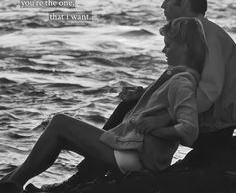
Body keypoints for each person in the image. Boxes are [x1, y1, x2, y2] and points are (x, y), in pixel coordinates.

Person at [24, 0, 236, 193]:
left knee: (132, 111)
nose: (163, 6)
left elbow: (208, 92)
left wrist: (165, 115)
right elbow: (186, 86)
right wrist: (145, 94)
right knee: (132, 106)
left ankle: (88, 176)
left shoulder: (205, 33)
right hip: (206, 123)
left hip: (213, 131)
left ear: (184, 2)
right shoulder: (197, 31)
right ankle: (96, 174)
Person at [0, 17, 209, 193]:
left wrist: (157, 129)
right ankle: (9, 183)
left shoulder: (182, 81)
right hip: (132, 150)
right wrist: (143, 94)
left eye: (168, 44)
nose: (163, 50)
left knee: (59, 123)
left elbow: (189, 131)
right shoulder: (178, 77)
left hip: (135, 157)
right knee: (58, 136)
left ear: (185, 46)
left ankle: (12, 184)